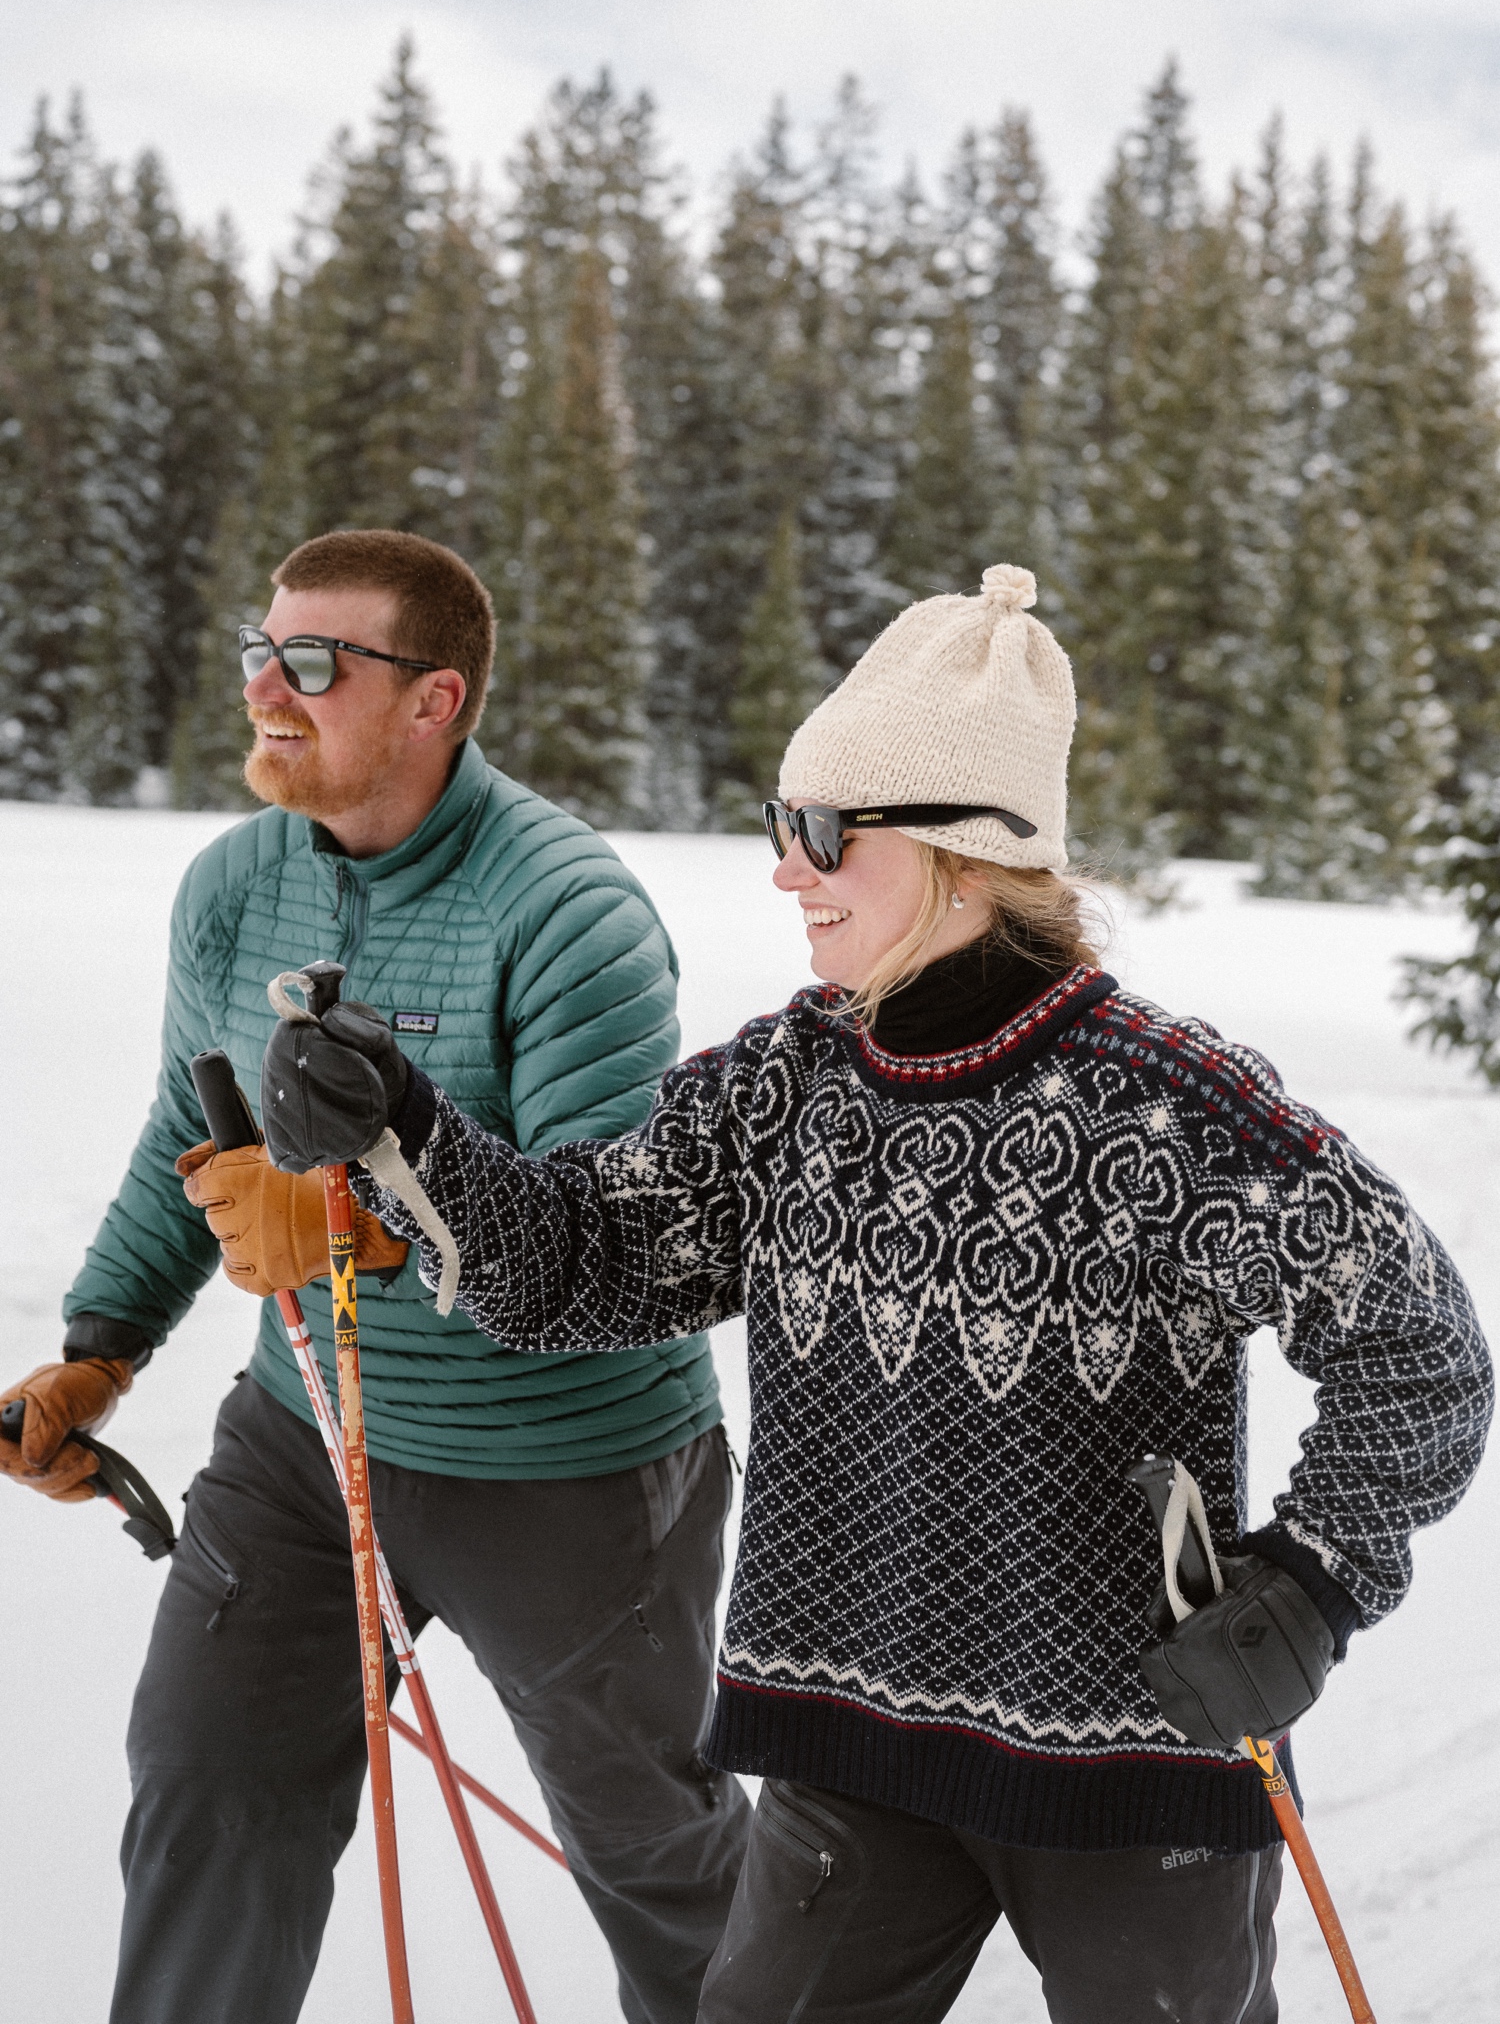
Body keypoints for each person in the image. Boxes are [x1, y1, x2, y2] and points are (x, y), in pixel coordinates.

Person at [264, 563, 1493, 2024]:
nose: (789, 868)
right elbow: (586, 1264)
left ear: (968, 857)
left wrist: (1314, 1579)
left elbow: (1418, 1345)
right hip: (849, 1745)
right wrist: (403, 1118)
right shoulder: (788, 1083)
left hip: (1138, 1760)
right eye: (783, 827)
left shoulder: (1164, 1108)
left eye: (826, 833)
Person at [0, 530, 749, 2024]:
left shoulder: (566, 915)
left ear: (434, 700)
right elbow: (181, 1128)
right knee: (210, 1784)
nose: (268, 689)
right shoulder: (232, 883)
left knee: (655, 1852)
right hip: (308, 1439)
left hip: (570, 1477)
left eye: (317, 662)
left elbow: (596, 1235)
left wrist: (354, 1224)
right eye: (257, 651)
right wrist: (100, 1347)